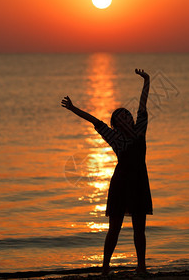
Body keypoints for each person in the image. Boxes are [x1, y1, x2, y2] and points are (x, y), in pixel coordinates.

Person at [61, 68, 153, 275]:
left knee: (140, 228)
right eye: (120, 118)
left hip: (139, 183)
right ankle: (105, 269)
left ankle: (141, 267)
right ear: (116, 125)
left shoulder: (141, 130)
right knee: (115, 228)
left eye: (127, 115)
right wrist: (74, 108)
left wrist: (146, 80)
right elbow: (94, 121)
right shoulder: (115, 138)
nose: (126, 118)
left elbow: (142, 103)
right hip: (121, 184)